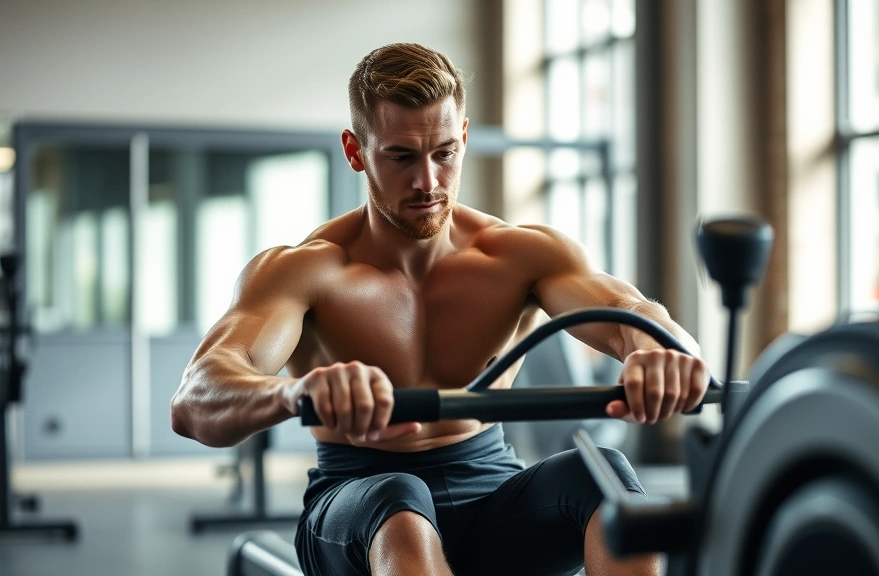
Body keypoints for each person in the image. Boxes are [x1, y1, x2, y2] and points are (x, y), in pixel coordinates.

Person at [171, 42, 709, 576]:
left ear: (465, 138)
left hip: (496, 500)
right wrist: (295, 393)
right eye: (401, 156)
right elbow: (196, 399)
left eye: (444, 153)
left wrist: (656, 350)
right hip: (362, 504)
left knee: (607, 479)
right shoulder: (307, 271)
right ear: (356, 151)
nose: (427, 181)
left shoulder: (518, 255)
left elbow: (631, 313)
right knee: (399, 503)